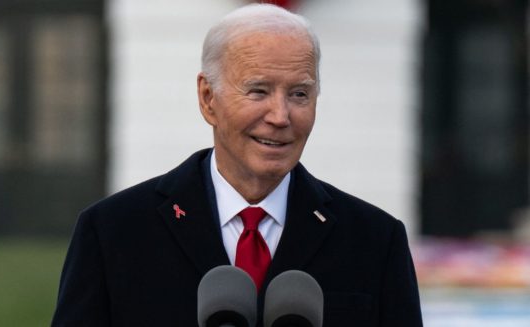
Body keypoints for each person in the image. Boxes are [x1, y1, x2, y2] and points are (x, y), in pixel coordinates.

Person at [51, 4, 423, 326]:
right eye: (258, 91)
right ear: (208, 98)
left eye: (299, 94)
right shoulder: (113, 232)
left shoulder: (375, 241)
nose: (280, 116)